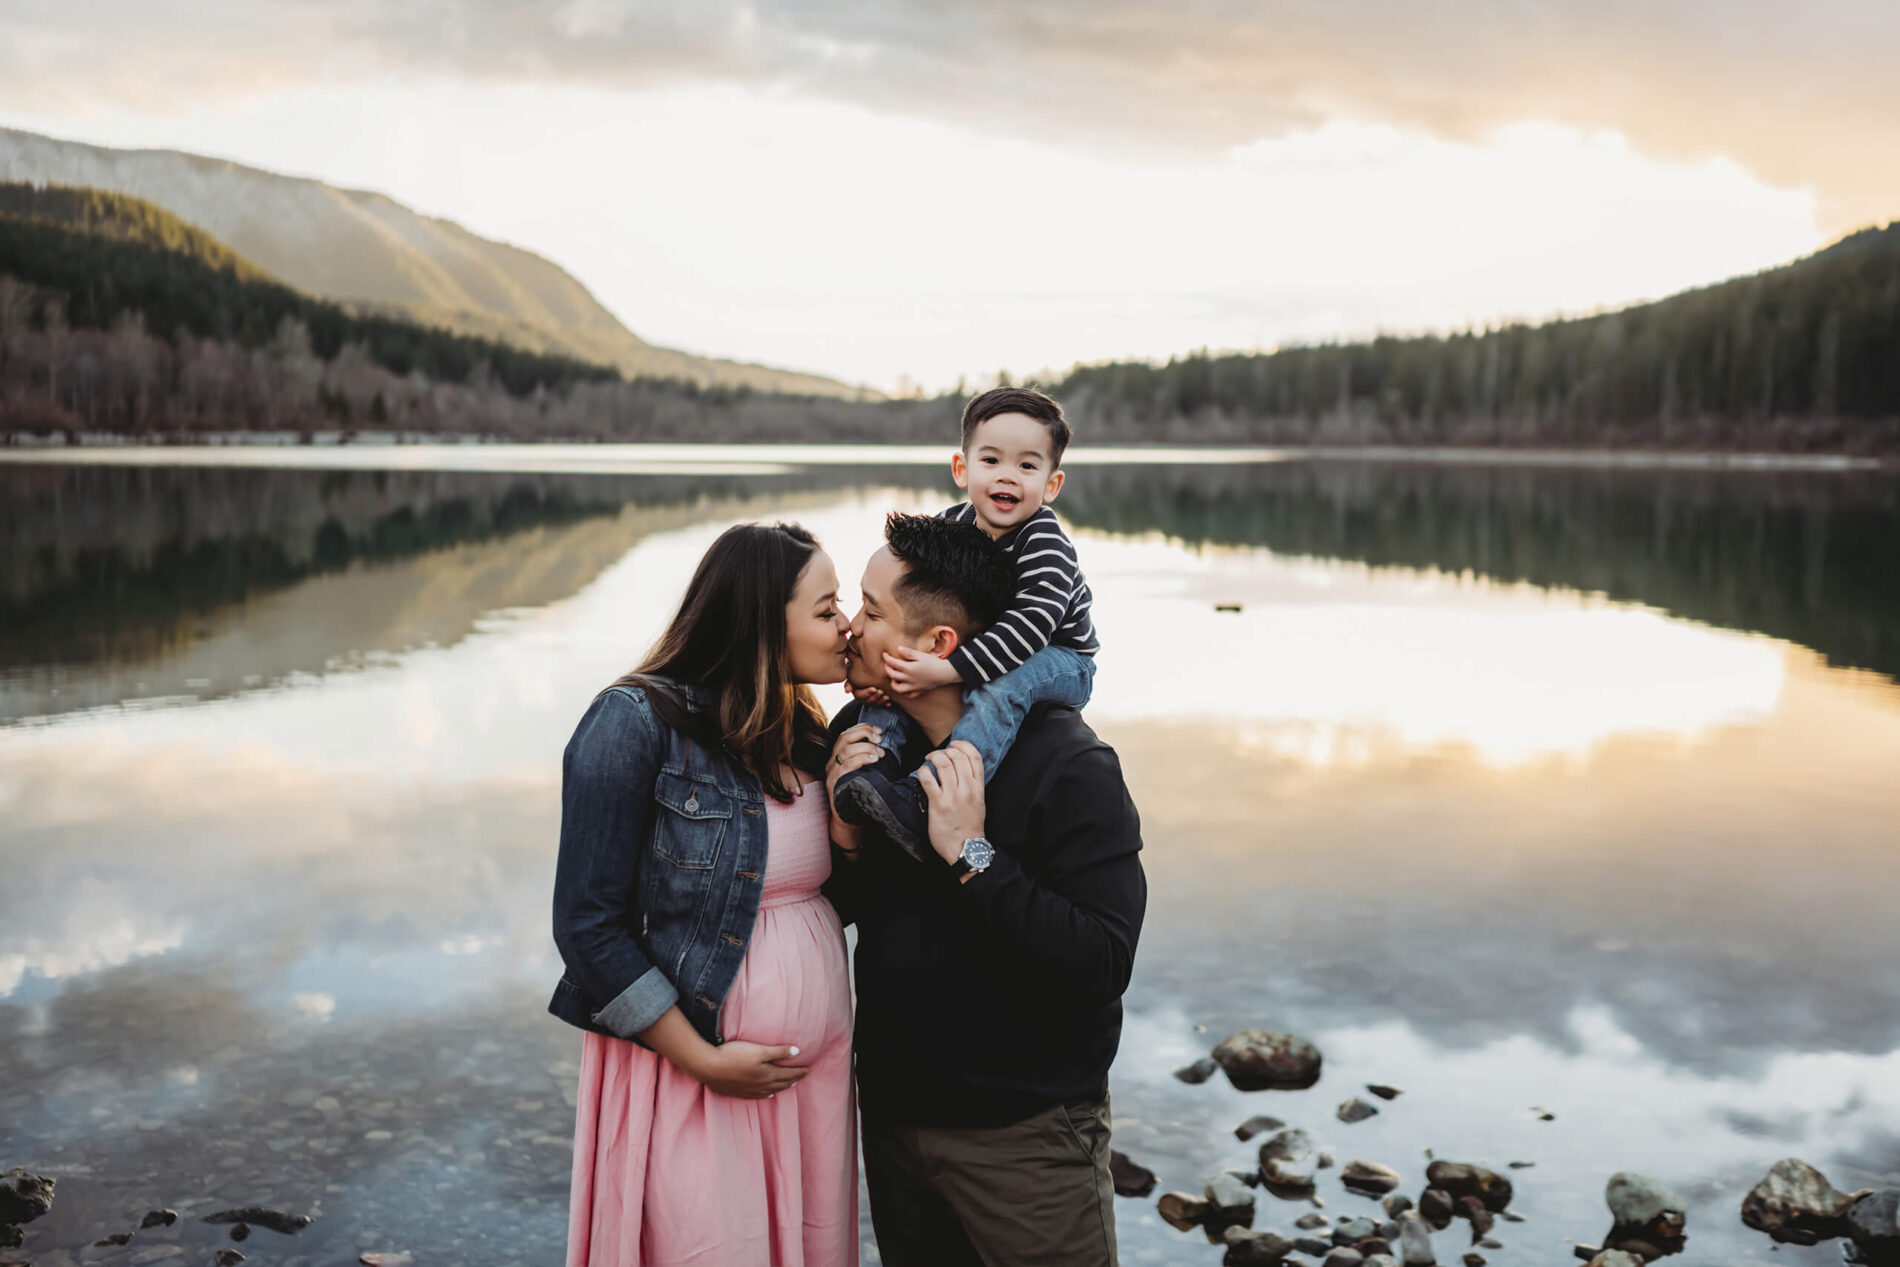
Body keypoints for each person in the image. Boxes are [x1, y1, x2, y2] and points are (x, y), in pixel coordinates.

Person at [823, 512, 1146, 1267]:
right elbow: (846, 912)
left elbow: (1102, 961)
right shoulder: (865, 740)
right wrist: (843, 840)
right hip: (896, 1124)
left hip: (1024, 1139)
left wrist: (972, 852)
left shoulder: (1070, 766)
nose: (849, 629)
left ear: (936, 647)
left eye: (871, 612)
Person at [550, 522, 859, 1267]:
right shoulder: (633, 723)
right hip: (690, 1072)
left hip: (809, 1088)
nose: (846, 626)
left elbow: (832, 896)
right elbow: (587, 925)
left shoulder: (807, 733)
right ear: (761, 619)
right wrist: (703, 1059)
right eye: (826, 609)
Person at [834, 386, 1099, 860]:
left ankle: (929, 790)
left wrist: (950, 668)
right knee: (901, 665)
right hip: (986, 650)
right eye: (991, 460)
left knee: (1003, 688)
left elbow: (1031, 626)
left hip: (1060, 657)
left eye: (1027, 466)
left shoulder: (1045, 543)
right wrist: (890, 678)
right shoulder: (954, 525)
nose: (1008, 477)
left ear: (1052, 484)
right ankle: (878, 769)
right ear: (962, 469)